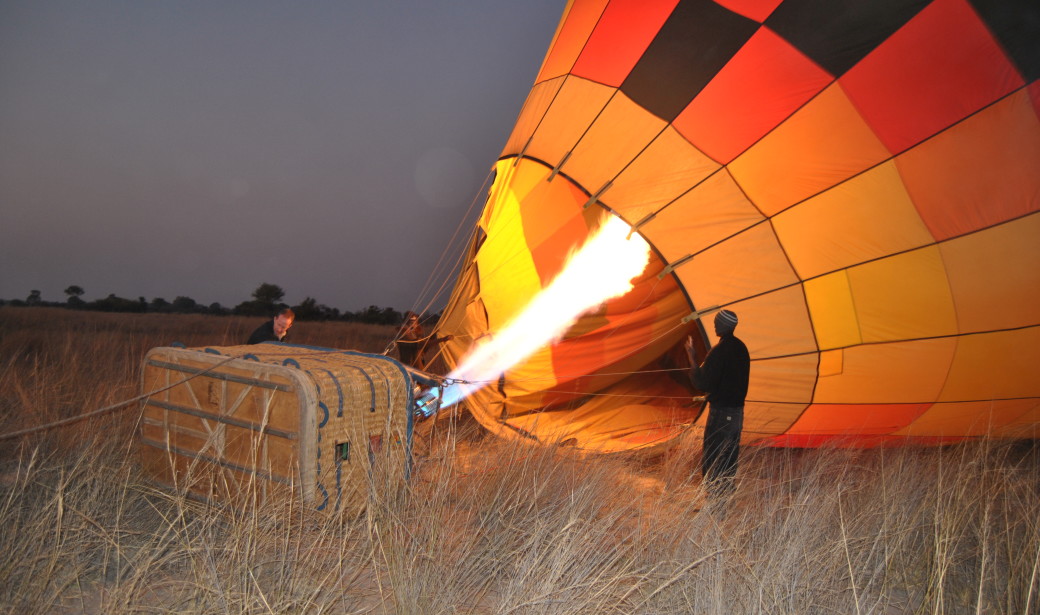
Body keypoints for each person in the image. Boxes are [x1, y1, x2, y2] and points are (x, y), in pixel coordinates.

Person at [686, 309, 749, 499]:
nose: (714, 325)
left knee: (714, 457)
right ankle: (725, 501)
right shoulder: (741, 348)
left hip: (722, 413)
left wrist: (692, 357)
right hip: (736, 414)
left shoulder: (720, 351)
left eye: (716, 322)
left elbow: (703, 383)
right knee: (729, 457)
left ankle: (714, 503)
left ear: (723, 326)